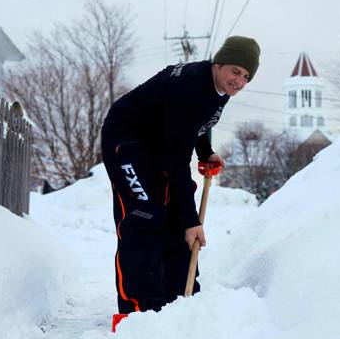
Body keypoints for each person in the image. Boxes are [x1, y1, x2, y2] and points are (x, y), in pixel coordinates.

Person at [101, 36, 260, 315]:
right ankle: (137, 314)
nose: (239, 81)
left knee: (175, 219)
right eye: (235, 71)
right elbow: (177, 160)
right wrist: (191, 221)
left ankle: (176, 308)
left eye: (246, 76)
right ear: (218, 63)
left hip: (159, 144)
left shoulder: (218, 89)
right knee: (145, 215)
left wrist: (205, 151)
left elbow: (197, 124)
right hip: (126, 139)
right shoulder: (190, 88)